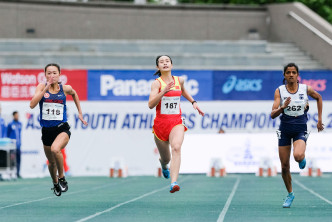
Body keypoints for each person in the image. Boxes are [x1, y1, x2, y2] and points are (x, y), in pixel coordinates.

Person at [148, 55, 204, 193]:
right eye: (161, 62)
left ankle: (174, 183)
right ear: (158, 67)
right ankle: (163, 164)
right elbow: (150, 104)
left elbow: (183, 91)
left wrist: (193, 102)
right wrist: (164, 91)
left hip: (176, 121)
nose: (165, 63)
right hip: (161, 124)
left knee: (177, 148)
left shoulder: (180, 80)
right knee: (166, 157)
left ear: (171, 65)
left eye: (167, 61)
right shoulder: (156, 83)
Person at [30, 63, 87, 196]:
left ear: (59, 74)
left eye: (54, 73)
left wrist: (80, 113)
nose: (52, 76)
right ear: (45, 75)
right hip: (46, 131)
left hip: (62, 128)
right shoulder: (41, 87)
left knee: (56, 149)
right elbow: (32, 104)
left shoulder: (65, 88)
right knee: (51, 163)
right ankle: (55, 183)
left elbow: (74, 93)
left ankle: (62, 178)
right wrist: (46, 89)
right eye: (49, 73)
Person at [271, 63, 324, 208]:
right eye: (288, 72)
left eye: (294, 72)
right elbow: (272, 114)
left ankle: (302, 157)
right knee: (284, 166)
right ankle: (290, 194)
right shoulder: (279, 91)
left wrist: (319, 120)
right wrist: (282, 107)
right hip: (285, 130)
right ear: (284, 75)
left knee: (298, 156)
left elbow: (319, 98)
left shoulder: (305, 89)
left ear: (297, 74)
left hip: (300, 128)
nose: (291, 75)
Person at [7, 111, 22, 178]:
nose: (17, 116)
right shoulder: (10, 124)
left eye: (18, 115)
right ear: (13, 116)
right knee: (12, 159)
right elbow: (7, 134)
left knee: (18, 159)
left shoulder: (20, 124)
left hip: (18, 145)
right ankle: (10, 173)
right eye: (16, 115)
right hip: (12, 146)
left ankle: (17, 173)